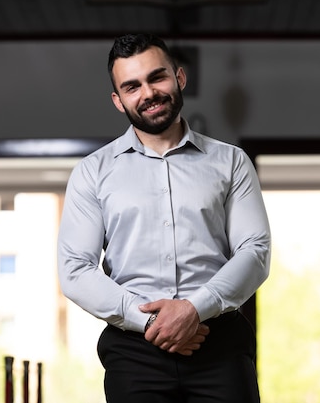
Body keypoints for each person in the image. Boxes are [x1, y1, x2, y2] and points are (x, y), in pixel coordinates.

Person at [57, 33, 271, 403]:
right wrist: (152, 322)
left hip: (219, 346)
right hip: (134, 351)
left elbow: (255, 251)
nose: (148, 92)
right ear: (118, 101)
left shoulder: (231, 161)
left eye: (157, 77)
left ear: (179, 77)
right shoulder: (93, 172)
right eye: (132, 86)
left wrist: (194, 309)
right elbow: (75, 269)